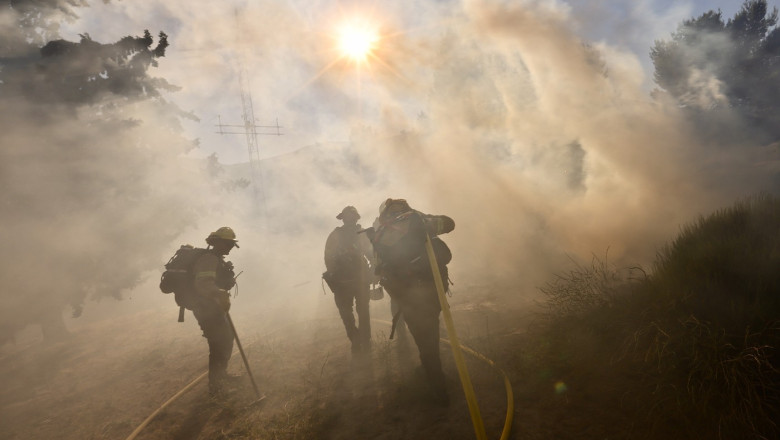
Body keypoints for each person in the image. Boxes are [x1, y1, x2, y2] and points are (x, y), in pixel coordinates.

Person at [368, 198, 455, 405]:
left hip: (407, 298)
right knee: (430, 335)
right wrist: (428, 221)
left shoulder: (381, 235)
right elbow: (450, 223)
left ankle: (437, 386)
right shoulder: (418, 219)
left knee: (425, 341)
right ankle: (437, 379)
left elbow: (378, 271)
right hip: (433, 291)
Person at [190, 227, 239, 396]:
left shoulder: (216, 259)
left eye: (231, 245)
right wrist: (219, 293)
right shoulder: (209, 259)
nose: (230, 247)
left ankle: (221, 377)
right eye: (227, 244)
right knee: (219, 343)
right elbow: (203, 284)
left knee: (226, 339)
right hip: (205, 308)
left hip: (213, 307)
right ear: (217, 242)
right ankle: (216, 387)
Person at [323, 206, 375, 354]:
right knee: (354, 312)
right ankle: (359, 340)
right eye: (348, 217)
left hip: (354, 280)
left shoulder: (356, 234)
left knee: (356, 311)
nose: (350, 219)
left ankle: (361, 340)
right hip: (346, 281)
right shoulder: (338, 235)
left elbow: (370, 253)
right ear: (344, 218)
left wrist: (373, 269)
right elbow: (328, 257)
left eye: (351, 217)